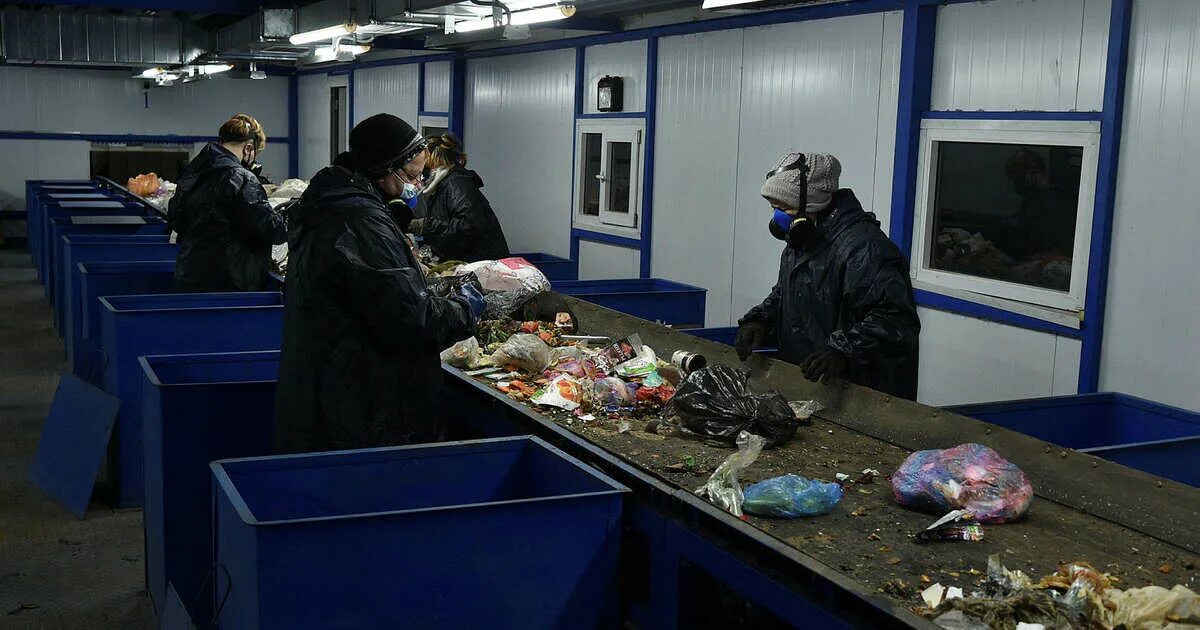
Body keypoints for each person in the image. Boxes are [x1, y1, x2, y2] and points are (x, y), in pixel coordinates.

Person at [274, 113, 485, 454]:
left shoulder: (332, 203)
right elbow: (410, 318)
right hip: (362, 404)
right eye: (412, 175)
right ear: (385, 168)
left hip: (333, 385)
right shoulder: (361, 222)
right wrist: (466, 308)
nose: (415, 185)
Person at [734, 152, 920, 400]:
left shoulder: (865, 249)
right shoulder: (803, 239)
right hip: (813, 386)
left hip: (860, 395)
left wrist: (842, 351)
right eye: (774, 208)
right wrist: (760, 319)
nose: (778, 218)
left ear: (813, 204)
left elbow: (894, 320)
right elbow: (787, 292)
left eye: (785, 208)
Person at [167, 114, 286, 292]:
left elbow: (176, 218)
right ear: (247, 149)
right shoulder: (241, 177)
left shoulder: (194, 171)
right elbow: (271, 229)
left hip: (190, 275)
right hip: (231, 282)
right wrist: (293, 215)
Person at [404, 132, 511, 262]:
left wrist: (426, 226)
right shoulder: (441, 187)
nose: (419, 174)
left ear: (433, 161)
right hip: (471, 262)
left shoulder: (456, 183)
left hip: (483, 266)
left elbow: (469, 228)